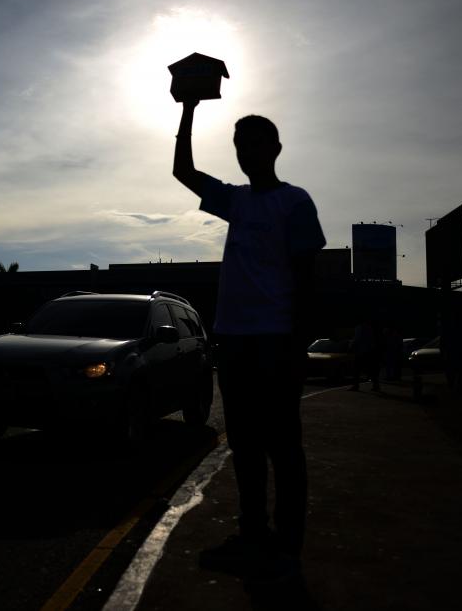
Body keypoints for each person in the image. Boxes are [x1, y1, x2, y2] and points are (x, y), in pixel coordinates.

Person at [173, 99, 326, 584]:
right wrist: (190, 108)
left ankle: (287, 546)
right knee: (245, 445)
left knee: (283, 445)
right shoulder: (235, 200)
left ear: (276, 148)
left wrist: (298, 343)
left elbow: (308, 277)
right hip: (234, 341)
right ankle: (253, 535)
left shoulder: (294, 201)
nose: (246, 152)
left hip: (275, 342)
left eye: (255, 144)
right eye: (239, 145)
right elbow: (182, 170)